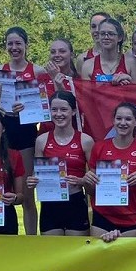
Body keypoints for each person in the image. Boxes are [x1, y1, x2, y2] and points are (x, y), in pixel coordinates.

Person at [0, 26, 42, 235]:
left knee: (26, 194)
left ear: (26, 45)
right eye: (10, 44)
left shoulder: (37, 71)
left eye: (18, 43)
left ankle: (30, 239)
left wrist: (28, 108)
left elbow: (45, 106)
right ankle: (0, 234)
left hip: (26, 130)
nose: (14, 48)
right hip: (4, 130)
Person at [84, 101, 136, 240]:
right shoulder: (100, 147)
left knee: (130, 261)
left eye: (128, 119)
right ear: (113, 120)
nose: (123, 123)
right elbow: (91, 191)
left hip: (132, 218)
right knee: (102, 260)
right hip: (102, 217)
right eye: (119, 118)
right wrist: (87, 181)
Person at [29, 91, 94, 236]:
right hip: (50, 204)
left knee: (77, 253)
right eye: (54, 109)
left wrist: (83, 180)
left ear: (73, 111)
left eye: (64, 109)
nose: (59, 114)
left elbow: (95, 176)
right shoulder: (42, 140)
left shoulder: (85, 140)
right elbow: (37, 172)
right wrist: (33, 179)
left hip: (75, 201)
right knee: (52, 253)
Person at [80, 17, 136, 84]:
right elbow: (85, 93)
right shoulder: (88, 65)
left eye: (111, 34)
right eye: (102, 34)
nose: (106, 37)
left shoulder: (130, 62)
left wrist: (129, 80)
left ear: (119, 37)